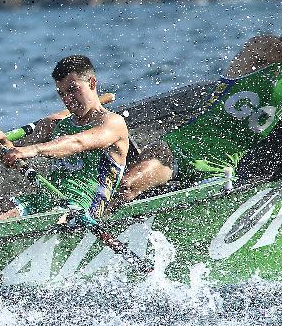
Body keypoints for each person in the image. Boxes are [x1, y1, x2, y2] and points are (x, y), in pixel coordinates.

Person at [117, 34, 282, 202]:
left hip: (222, 169)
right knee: (127, 187)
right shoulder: (262, 46)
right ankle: (97, 221)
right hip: (184, 146)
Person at [0, 55, 130, 220]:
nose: (67, 99)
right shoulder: (55, 124)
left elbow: (77, 142)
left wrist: (35, 149)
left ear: (92, 83)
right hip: (44, 201)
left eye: (73, 90)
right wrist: (0, 139)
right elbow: (12, 152)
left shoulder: (113, 123)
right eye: (62, 93)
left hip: (81, 209)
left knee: (2, 220)